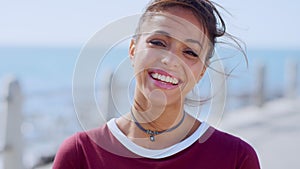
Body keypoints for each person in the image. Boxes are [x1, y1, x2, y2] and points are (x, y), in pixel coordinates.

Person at [53, 0, 260, 168]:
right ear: (133, 50)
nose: (170, 60)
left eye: (190, 52)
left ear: (201, 73)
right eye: (158, 42)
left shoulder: (236, 158)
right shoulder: (80, 154)